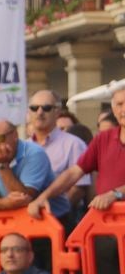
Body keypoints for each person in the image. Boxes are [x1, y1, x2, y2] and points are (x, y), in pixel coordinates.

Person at [29, 86, 125, 274]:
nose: (123, 109)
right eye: (119, 104)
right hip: (106, 233)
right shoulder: (103, 139)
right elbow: (74, 172)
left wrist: (116, 194)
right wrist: (44, 197)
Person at [0, 120, 69, 221]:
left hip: (54, 218)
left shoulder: (34, 153)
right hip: (19, 219)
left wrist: (2, 166)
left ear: (15, 135)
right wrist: (5, 203)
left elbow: (24, 198)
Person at [28, 90, 90, 224]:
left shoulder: (74, 144)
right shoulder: (23, 146)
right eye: (34, 108)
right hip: (28, 218)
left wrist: (56, 213)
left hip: (63, 219)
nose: (39, 112)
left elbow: (79, 187)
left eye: (46, 108)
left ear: (57, 112)